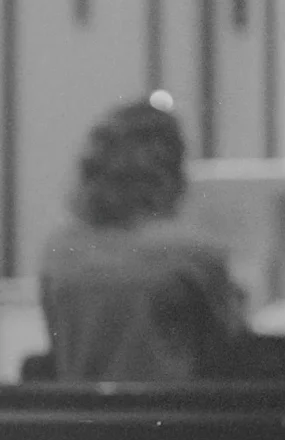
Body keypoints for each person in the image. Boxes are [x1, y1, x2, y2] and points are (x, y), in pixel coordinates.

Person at [38, 98, 249, 381]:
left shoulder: (59, 251)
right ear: (172, 171)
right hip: (175, 419)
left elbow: (57, 353)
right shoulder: (193, 253)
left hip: (82, 419)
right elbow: (230, 351)